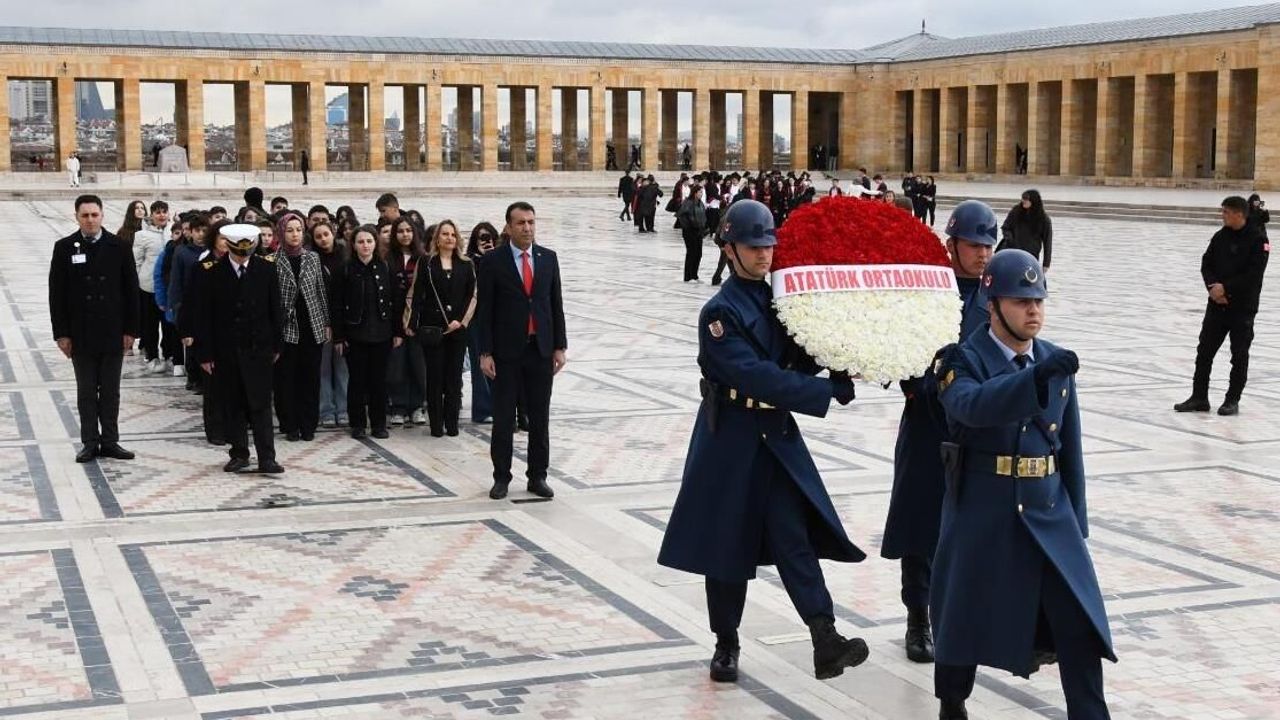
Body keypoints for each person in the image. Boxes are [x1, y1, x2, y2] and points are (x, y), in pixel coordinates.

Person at [657, 199, 867, 685]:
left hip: (774, 437)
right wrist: (824, 392)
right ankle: (725, 642)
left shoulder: (781, 297)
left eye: (769, 245)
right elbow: (756, 377)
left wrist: (843, 358)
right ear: (730, 249)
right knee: (727, 545)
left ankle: (825, 636)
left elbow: (800, 350)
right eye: (754, 246)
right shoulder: (719, 312)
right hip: (731, 437)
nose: (764, 254)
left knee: (793, 536)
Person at [932, 248, 1115, 720]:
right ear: (992, 306)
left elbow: (1067, 446)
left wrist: (1076, 522)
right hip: (985, 510)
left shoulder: (1053, 359)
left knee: (1080, 621)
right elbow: (971, 406)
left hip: (1046, 509)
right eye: (1021, 301)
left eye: (1038, 300)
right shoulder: (959, 359)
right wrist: (1032, 380)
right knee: (962, 619)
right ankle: (952, 701)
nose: (1034, 310)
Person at [881, 200, 996, 665]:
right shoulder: (928, 289)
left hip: (977, 429)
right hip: (929, 421)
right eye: (974, 245)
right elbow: (899, 344)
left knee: (980, 525)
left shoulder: (998, 295)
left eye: (989, 245)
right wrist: (919, 384)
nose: (983, 254)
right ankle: (918, 619)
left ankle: (974, 615)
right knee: (921, 524)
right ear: (952, 244)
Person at [475, 201, 567, 500]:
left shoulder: (548, 258)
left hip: (539, 349)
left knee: (539, 417)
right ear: (508, 227)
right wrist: (485, 352)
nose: (527, 228)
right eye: (521, 223)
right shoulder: (492, 261)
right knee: (503, 418)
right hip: (506, 352)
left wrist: (559, 346)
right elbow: (485, 310)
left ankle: (537, 476)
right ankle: (501, 476)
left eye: (531, 222)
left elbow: (555, 305)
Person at [49, 194, 140, 463]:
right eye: (85, 215)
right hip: (81, 333)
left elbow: (131, 291)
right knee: (87, 391)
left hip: (112, 331)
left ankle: (110, 440)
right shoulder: (65, 247)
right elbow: (57, 294)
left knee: (110, 391)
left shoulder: (119, 246)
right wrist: (61, 334)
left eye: (94, 215)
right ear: (76, 217)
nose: (90, 220)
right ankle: (90, 441)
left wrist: (131, 331)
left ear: (102, 215)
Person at [191, 224, 284, 474]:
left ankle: (267, 457)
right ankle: (239, 453)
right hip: (226, 352)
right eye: (239, 251)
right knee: (232, 404)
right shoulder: (212, 272)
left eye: (247, 251)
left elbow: (276, 310)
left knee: (262, 404)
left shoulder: (266, 269)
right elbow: (204, 317)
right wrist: (205, 354)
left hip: (259, 349)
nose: (243, 256)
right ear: (228, 247)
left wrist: (277, 344)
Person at [1174, 196, 1270, 416]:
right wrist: (1212, 288)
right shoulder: (1220, 236)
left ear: (1239, 214)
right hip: (1216, 304)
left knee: (1239, 355)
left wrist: (1225, 289)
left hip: (1241, 307)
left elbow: (1254, 275)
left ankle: (1232, 399)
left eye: (1226, 212)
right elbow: (1206, 263)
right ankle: (1199, 397)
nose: (1222, 215)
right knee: (1204, 351)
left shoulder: (1258, 240)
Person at [332, 225, 403, 439]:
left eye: (369, 241)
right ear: (353, 245)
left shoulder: (385, 267)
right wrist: (339, 336)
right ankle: (358, 424)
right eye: (361, 241)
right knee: (357, 381)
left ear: (375, 243)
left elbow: (396, 302)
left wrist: (397, 331)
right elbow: (336, 305)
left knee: (378, 381)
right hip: (355, 335)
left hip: (381, 333)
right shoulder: (345, 269)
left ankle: (379, 423)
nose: (365, 245)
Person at [410, 220, 477, 437]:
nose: (449, 238)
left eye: (453, 235)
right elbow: (417, 293)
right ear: (437, 238)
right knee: (435, 377)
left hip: (457, 330)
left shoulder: (466, 264)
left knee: (453, 377)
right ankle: (436, 424)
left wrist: (460, 320)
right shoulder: (427, 263)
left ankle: (452, 422)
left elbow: (471, 296)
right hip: (433, 328)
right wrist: (413, 323)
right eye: (445, 234)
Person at [273, 212, 331, 441]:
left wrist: (326, 322)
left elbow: (320, 291)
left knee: (310, 378)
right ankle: (290, 424)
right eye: (290, 230)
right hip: (287, 328)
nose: (295, 234)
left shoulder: (312, 258)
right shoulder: (273, 260)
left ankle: (309, 424)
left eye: (298, 229)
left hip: (311, 325)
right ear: (282, 232)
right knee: (287, 379)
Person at [181, 219, 232, 446]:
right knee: (213, 387)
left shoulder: (240, 265)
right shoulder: (202, 268)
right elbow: (190, 303)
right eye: (222, 238)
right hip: (209, 337)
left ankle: (234, 427)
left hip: (233, 337)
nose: (227, 243)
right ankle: (216, 429)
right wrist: (188, 332)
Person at [386, 217, 428, 426]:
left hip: (417, 321)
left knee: (418, 365)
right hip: (395, 320)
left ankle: (417, 405)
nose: (405, 235)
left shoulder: (423, 259)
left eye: (408, 231)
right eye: (400, 231)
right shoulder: (388, 258)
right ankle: (399, 406)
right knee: (397, 366)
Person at [312, 220, 349, 428]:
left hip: (343, 320)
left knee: (342, 368)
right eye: (318, 236)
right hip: (322, 322)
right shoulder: (312, 260)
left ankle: (343, 409)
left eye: (326, 234)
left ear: (333, 233)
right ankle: (326, 409)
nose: (323, 239)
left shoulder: (345, 256)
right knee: (323, 368)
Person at [465, 222, 501, 423]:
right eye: (482, 237)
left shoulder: (501, 259)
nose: (486, 241)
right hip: (476, 319)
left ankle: (499, 405)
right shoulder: (469, 262)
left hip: (498, 320)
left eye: (489, 237)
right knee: (481, 364)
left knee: (499, 364)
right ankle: (482, 408)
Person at [132, 200, 171, 375]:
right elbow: (137, 260)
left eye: (164, 212)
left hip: (169, 286)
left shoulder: (173, 232)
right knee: (150, 324)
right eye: (158, 212)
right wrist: (141, 279)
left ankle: (170, 354)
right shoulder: (142, 235)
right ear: (152, 215)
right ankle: (152, 355)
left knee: (169, 324)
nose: (161, 215)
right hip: (149, 286)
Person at [1000, 190, 1053, 271]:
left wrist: (1046, 263)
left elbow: (1047, 242)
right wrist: (1010, 239)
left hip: (1030, 256)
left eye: (1026, 198)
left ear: (1033, 200)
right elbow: (1005, 227)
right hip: (1012, 251)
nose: (1023, 201)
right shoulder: (1016, 211)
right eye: (1022, 198)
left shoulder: (1043, 219)